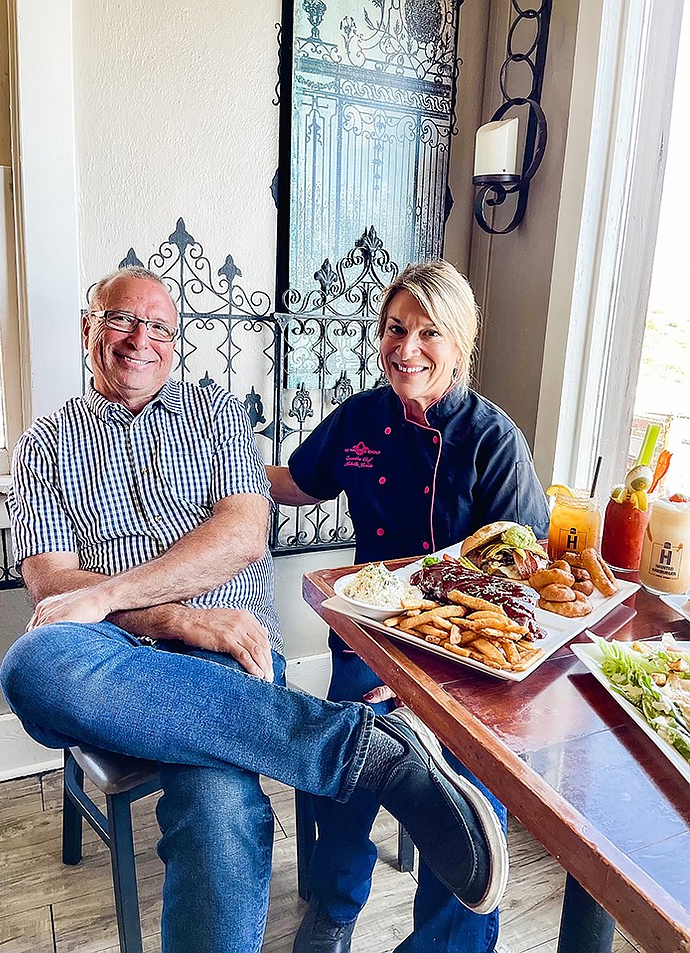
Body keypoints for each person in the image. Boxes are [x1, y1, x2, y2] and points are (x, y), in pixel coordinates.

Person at [0, 266, 509, 953]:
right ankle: (364, 753)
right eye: (121, 318)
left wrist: (110, 591)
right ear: (88, 326)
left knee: (217, 810)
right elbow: (54, 589)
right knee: (31, 663)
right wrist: (175, 615)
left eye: (158, 326)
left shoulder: (215, 415)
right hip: (115, 650)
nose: (138, 339)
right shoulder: (45, 443)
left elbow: (242, 532)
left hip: (257, 646)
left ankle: (382, 804)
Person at [268, 259, 549, 953]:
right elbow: (299, 483)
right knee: (344, 764)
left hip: (466, 661)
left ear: (459, 343)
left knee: (470, 802)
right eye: (395, 329)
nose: (407, 348)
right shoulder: (359, 417)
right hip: (370, 647)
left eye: (428, 332)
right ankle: (333, 907)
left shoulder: (493, 438)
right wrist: (222, 470)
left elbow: (521, 568)